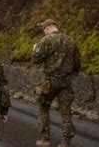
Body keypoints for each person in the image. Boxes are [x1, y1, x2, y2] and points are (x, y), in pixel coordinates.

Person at [33, 19, 81, 147]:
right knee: (66, 111)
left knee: (43, 106)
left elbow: (36, 60)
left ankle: (45, 139)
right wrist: (69, 75)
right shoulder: (70, 40)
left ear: (49, 27)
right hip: (66, 81)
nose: (43, 32)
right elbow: (77, 64)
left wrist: (35, 49)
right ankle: (66, 141)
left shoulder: (46, 40)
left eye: (44, 29)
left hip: (50, 81)